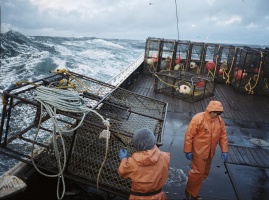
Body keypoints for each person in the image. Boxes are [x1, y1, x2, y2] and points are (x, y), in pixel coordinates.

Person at [183, 100, 229, 200]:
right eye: (216, 113)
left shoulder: (220, 121)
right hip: (198, 152)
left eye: (219, 113)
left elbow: (223, 136)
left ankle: (192, 191)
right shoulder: (198, 118)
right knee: (197, 173)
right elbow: (189, 135)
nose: (217, 115)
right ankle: (190, 193)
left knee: (204, 174)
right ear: (210, 110)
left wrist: (224, 150)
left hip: (210, 153)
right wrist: (188, 150)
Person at [118, 128, 170, 200]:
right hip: (159, 196)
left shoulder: (133, 162)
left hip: (138, 197)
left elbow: (122, 172)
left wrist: (124, 159)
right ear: (153, 141)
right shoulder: (165, 157)